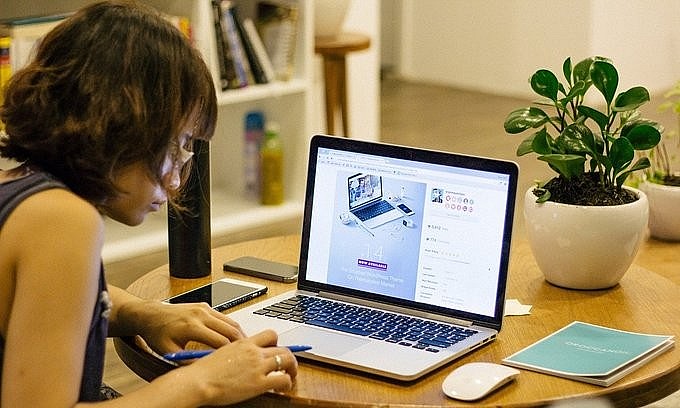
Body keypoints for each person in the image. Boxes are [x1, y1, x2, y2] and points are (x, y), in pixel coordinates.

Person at [0, 1, 298, 406]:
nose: (176, 180)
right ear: (125, 126)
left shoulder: (18, 185)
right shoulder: (64, 220)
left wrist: (141, 313)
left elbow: (44, 300)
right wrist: (204, 382)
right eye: (176, 147)